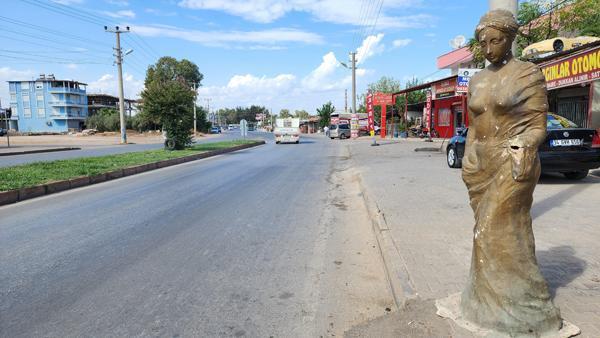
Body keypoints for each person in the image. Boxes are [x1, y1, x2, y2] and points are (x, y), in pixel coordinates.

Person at [460, 9, 562, 335]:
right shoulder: (476, 80)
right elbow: (475, 126)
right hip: (480, 164)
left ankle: (528, 307)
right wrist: (466, 156)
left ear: (511, 38)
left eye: (496, 40)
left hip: (514, 161)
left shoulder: (528, 74)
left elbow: (538, 127)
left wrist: (523, 145)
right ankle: (484, 302)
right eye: (484, 43)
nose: (489, 48)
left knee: (491, 231)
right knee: (494, 234)